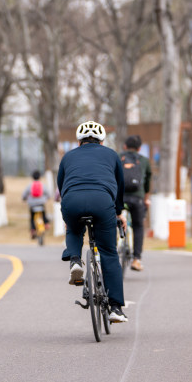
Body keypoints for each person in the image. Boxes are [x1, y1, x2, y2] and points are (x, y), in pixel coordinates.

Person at [58, 120, 128, 323]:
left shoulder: (68, 156)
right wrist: (119, 212)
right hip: (102, 201)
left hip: (72, 200)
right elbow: (119, 186)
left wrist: (68, 213)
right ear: (102, 141)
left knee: (73, 229)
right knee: (108, 252)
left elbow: (61, 184)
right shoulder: (112, 155)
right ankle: (115, 308)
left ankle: (75, 261)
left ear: (79, 142)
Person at [119, 135, 152, 271]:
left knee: (114, 221)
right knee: (138, 226)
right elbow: (147, 182)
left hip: (120, 198)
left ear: (124, 146)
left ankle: (114, 250)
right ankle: (136, 259)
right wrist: (145, 199)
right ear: (139, 148)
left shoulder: (118, 157)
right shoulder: (143, 161)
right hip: (137, 199)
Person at [22, 170, 51, 239]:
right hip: (41, 204)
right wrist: (46, 198)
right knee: (43, 214)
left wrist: (25, 199)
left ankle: (32, 230)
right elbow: (48, 194)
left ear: (32, 177)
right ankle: (46, 223)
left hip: (32, 205)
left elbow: (24, 195)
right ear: (39, 177)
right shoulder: (43, 185)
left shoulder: (29, 186)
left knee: (32, 218)